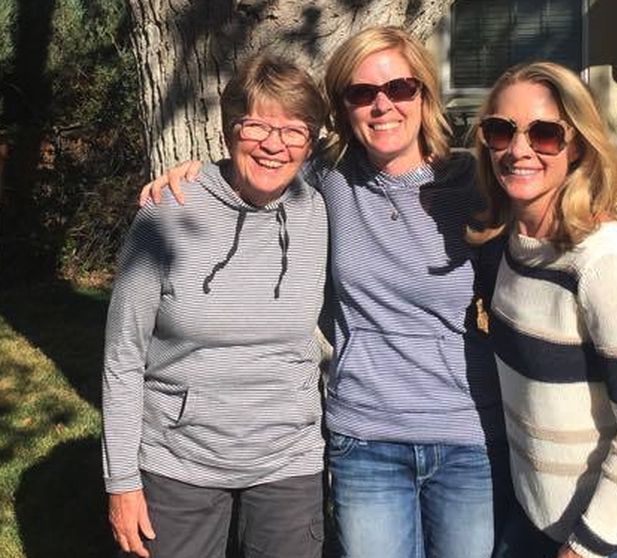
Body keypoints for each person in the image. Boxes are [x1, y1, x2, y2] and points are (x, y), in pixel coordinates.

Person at [141, 26, 511, 558]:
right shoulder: (328, 177)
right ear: (343, 107)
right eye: (362, 94)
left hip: (467, 431)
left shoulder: (473, 187)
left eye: (399, 89)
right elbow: (261, 157)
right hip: (365, 436)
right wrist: (196, 176)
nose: (382, 106)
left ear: (424, 94)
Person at [467, 61, 617, 558]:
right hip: (540, 516)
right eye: (500, 131)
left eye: (546, 134)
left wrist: (585, 548)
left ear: (576, 146)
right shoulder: (512, 245)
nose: (519, 150)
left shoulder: (603, 261)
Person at [103, 53, 329, 558]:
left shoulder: (318, 208)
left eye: (294, 131)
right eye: (256, 126)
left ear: (310, 144)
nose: (274, 145)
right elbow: (122, 359)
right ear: (229, 131)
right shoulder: (166, 214)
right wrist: (121, 481)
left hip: (287, 462)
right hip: (178, 460)